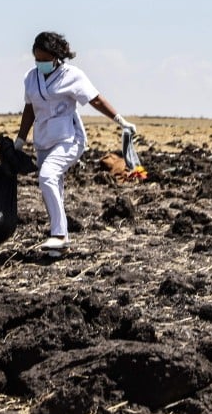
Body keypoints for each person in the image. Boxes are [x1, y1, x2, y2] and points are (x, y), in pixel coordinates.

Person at [14, 32, 136, 252]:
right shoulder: (31, 78)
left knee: (47, 176)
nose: (40, 64)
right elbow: (29, 109)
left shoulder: (73, 75)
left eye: (44, 60)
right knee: (53, 187)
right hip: (43, 140)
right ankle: (58, 246)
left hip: (69, 139)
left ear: (57, 56)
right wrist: (20, 140)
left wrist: (120, 121)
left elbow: (95, 99)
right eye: (37, 59)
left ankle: (59, 234)